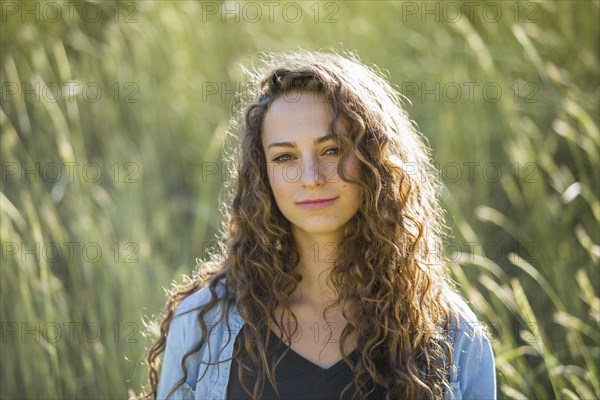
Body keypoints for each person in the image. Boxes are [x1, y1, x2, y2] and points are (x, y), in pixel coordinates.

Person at [145, 51, 496, 400]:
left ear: (375, 161)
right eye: (285, 157)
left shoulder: (451, 335)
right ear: (263, 176)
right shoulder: (202, 324)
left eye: (331, 150)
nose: (311, 177)